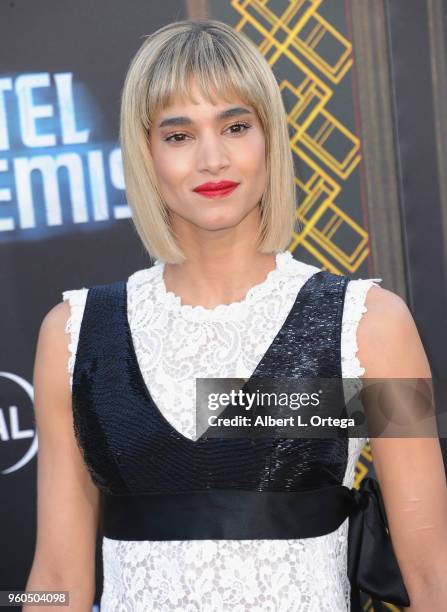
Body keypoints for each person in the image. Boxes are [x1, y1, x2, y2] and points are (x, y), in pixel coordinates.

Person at [26, 18, 447, 612]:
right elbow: (55, 578)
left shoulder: (372, 327)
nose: (212, 158)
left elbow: (433, 573)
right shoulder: (72, 336)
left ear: (269, 138)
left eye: (235, 126)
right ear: (144, 153)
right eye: (178, 135)